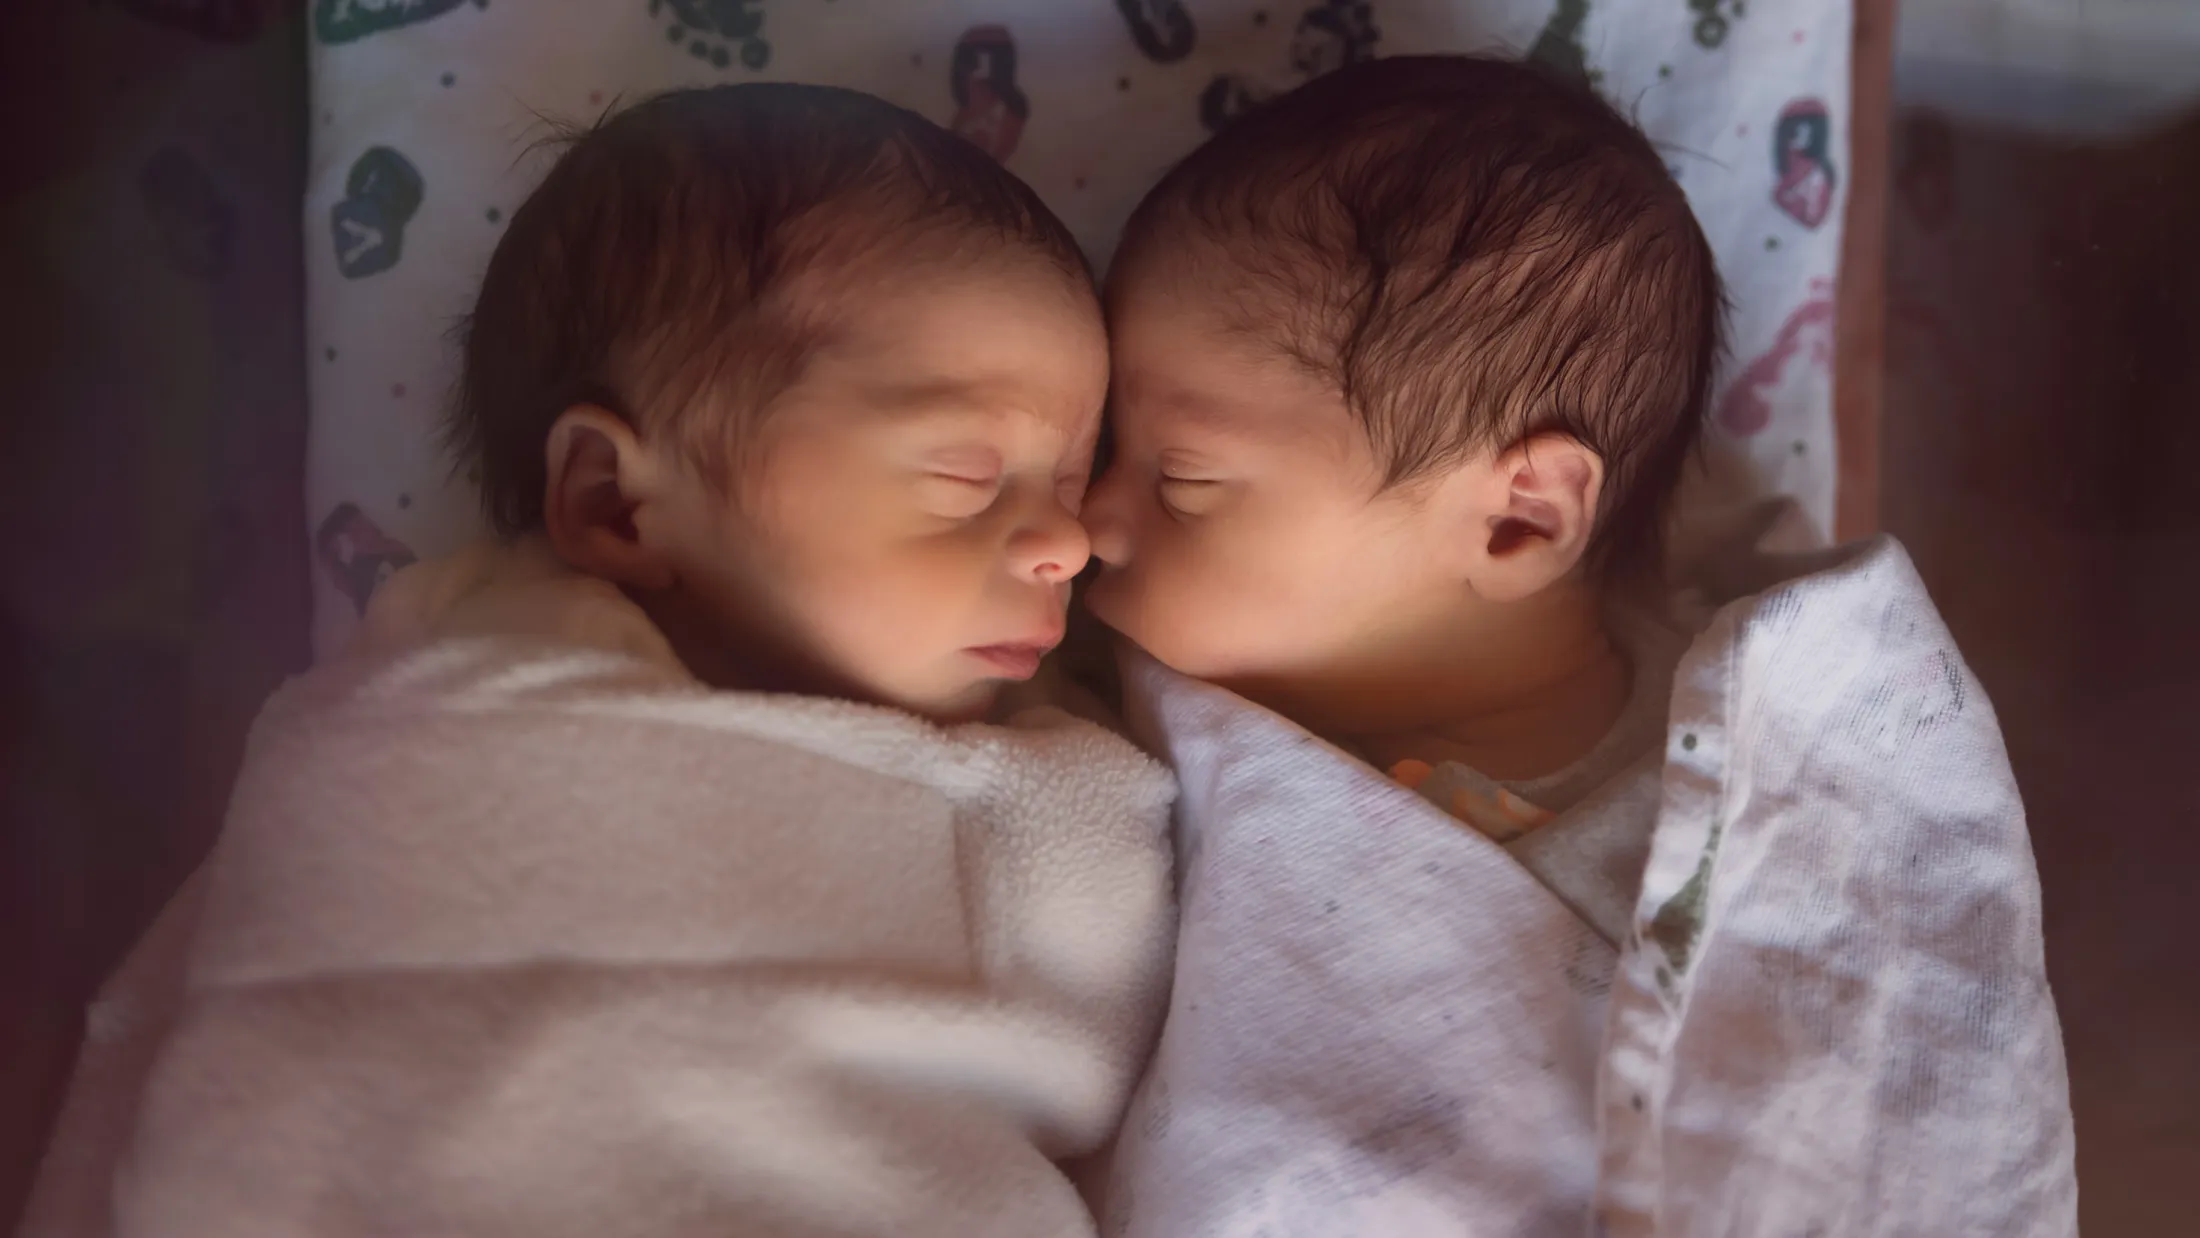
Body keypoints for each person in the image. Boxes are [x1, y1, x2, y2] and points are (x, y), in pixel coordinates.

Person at [104, 84, 1175, 1238]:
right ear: (613, 501)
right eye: (966, 475)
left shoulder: (1061, 751)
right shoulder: (445, 714)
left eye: (1072, 481)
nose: (1070, 542)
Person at [1085, 55, 2075, 1236]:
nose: (1089, 516)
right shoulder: (1113, 722)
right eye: (1103, 449)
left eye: (1181, 479)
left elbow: (1887, 1072)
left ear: (1519, 521)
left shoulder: (1776, 770)